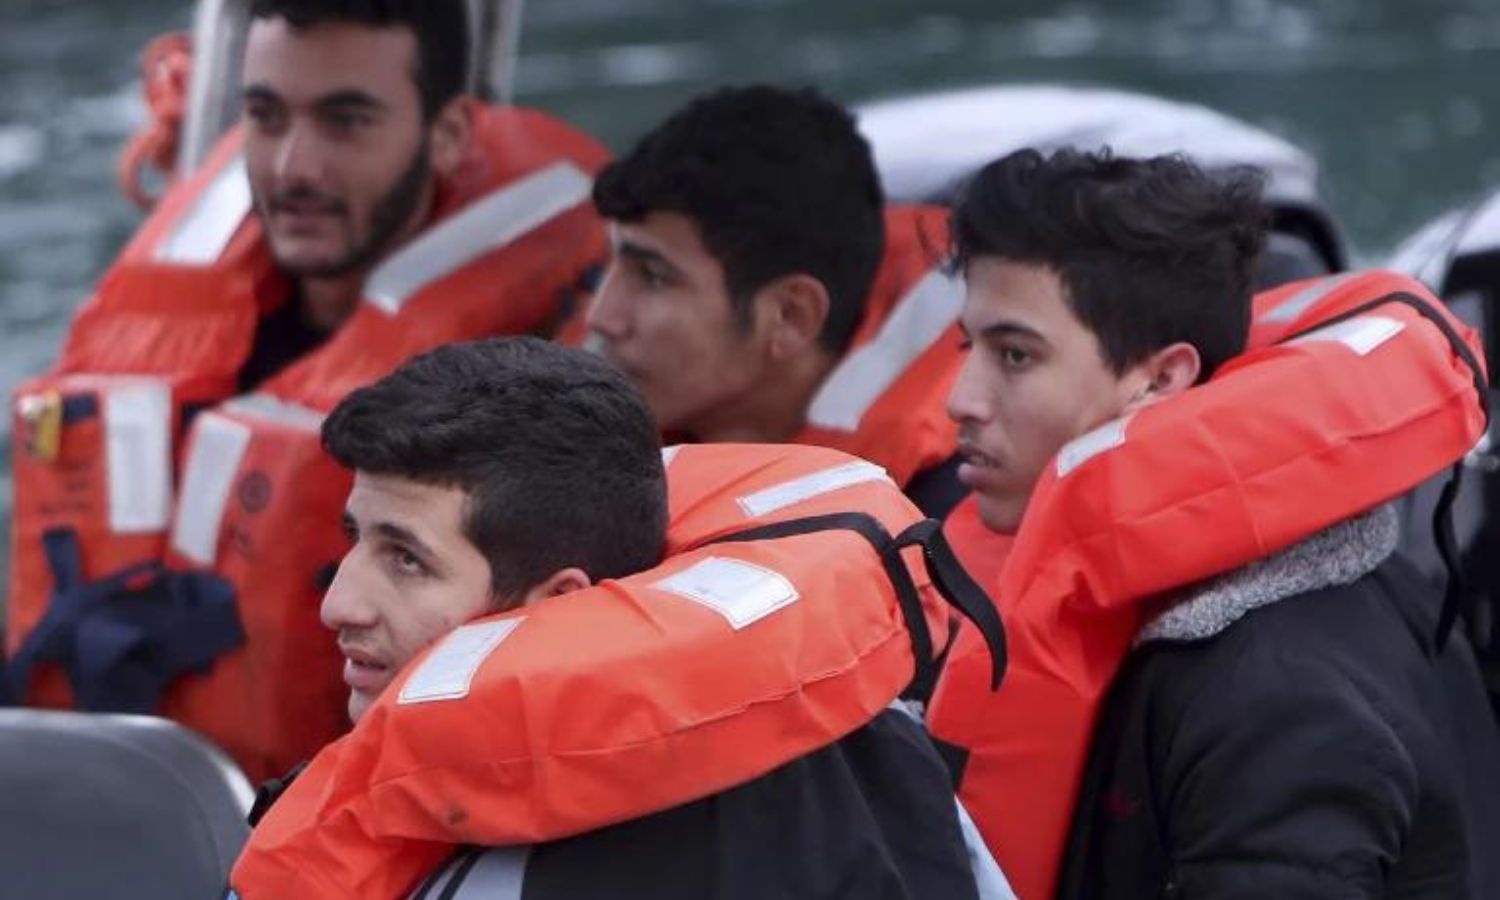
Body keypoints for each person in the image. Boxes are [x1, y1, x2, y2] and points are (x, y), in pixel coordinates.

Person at [5, 0, 610, 781]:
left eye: (346, 120)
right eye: (266, 115)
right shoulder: (167, 310)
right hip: (85, 777)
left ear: (450, 133)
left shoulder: (542, 372)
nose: (295, 167)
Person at [228, 337, 1012, 899]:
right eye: (353, 541)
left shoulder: (510, 870)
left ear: (562, 605)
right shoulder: (890, 756)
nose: (339, 605)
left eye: (406, 560)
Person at [923, 148, 1500, 898]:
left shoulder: (1274, 705)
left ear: (1163, 379)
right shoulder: (1303, 573)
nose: (960, 399)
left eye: (1015, 355)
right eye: (971, 347)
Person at [584, 85, 967, 516]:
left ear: (790, 316)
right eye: (608, 267)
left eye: (654, 277)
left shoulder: (941, 529)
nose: (602, 316)